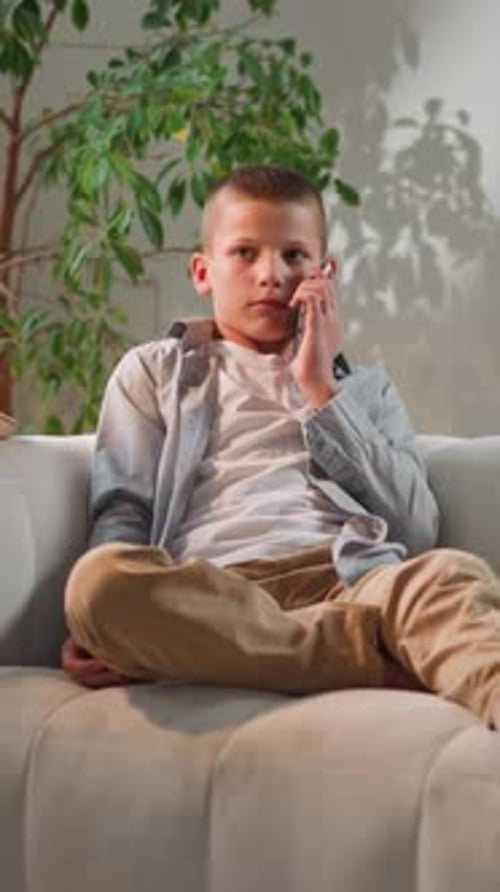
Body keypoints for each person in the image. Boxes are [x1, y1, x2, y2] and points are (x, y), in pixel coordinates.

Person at [62, 164, 500, 729]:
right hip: (212, 594)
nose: (271, 275)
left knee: (449, 574)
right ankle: (367, 653)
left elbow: (415, 529)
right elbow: (124, 510)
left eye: (294, 256)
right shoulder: (154, 372)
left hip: (350, 579)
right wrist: (91, 625)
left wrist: (322, 389)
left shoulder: (366, 391)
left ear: (325, 272)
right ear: (203, 271)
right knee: (98, 586)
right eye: (244, 253)